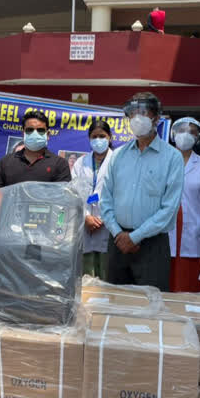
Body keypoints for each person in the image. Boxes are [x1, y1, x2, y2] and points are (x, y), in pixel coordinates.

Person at [100, 92, 184, 291]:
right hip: (117, 242)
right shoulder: (118, 155)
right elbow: (106, 200)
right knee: (114, 304)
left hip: (151, 245)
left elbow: (169, 209)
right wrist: (119, 233)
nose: (137, 118)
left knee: (151, 307)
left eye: (143, 112)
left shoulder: (172, 157)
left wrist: (135, 237)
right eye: (133, 113)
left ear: (155, 117)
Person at [168, 117, 200, 292]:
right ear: (173, 134)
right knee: (165, 281)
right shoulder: (163, 161)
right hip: (165, 228)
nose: (186, 135)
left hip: (193, 230)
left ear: (198, 138)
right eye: (182, 130)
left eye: (192, 132)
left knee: (188, 284)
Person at [0, 110, 71, 198]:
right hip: (10, 211)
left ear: (47, 135)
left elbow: (63, 197)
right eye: (30, 130)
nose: (34, 134)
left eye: (40, 130)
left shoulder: (60, 164)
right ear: (23, 133)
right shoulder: (6, 162)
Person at [71, 119, 114, 280]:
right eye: (94, 136)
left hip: (109, 224)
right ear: (89, 139)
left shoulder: (117, 160)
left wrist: (102, 218)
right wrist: (86, 217)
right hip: (85, 224)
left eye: (102, 136)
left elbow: (121, 192)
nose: (98, 140)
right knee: (86, 276)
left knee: (106, 274)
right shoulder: (81, 163)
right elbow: (73, 192)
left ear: (109, 137)